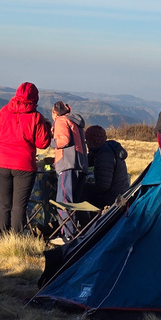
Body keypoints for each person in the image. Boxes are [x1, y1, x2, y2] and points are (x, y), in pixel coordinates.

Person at [0, 83, 52, 234]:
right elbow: (43, 143)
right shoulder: (36, 117)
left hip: (1, 163)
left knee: (3, 204)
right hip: (24, 165)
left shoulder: (4, 111)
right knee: (19, 206)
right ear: (35, 98)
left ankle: (1, 237)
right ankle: (16, 238)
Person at [52, 101, 87, 239]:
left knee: (64, 202)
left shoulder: (61, 120)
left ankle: (67, 235)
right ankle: (72, 232)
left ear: (55, 112)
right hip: (80, 164)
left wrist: (50, 141)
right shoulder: (76, 122)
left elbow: (64, 140)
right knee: (74, 202)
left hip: (67, 164)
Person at [83, 125, 130, 208]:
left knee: (82, 195)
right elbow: (89, 159)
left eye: (87, 141)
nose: (87, 144)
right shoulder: (106, 148)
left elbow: (103, 186)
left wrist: (84, 187)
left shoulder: (105, 155)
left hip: (113, 199)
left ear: (92, 141)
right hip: (119, 194)